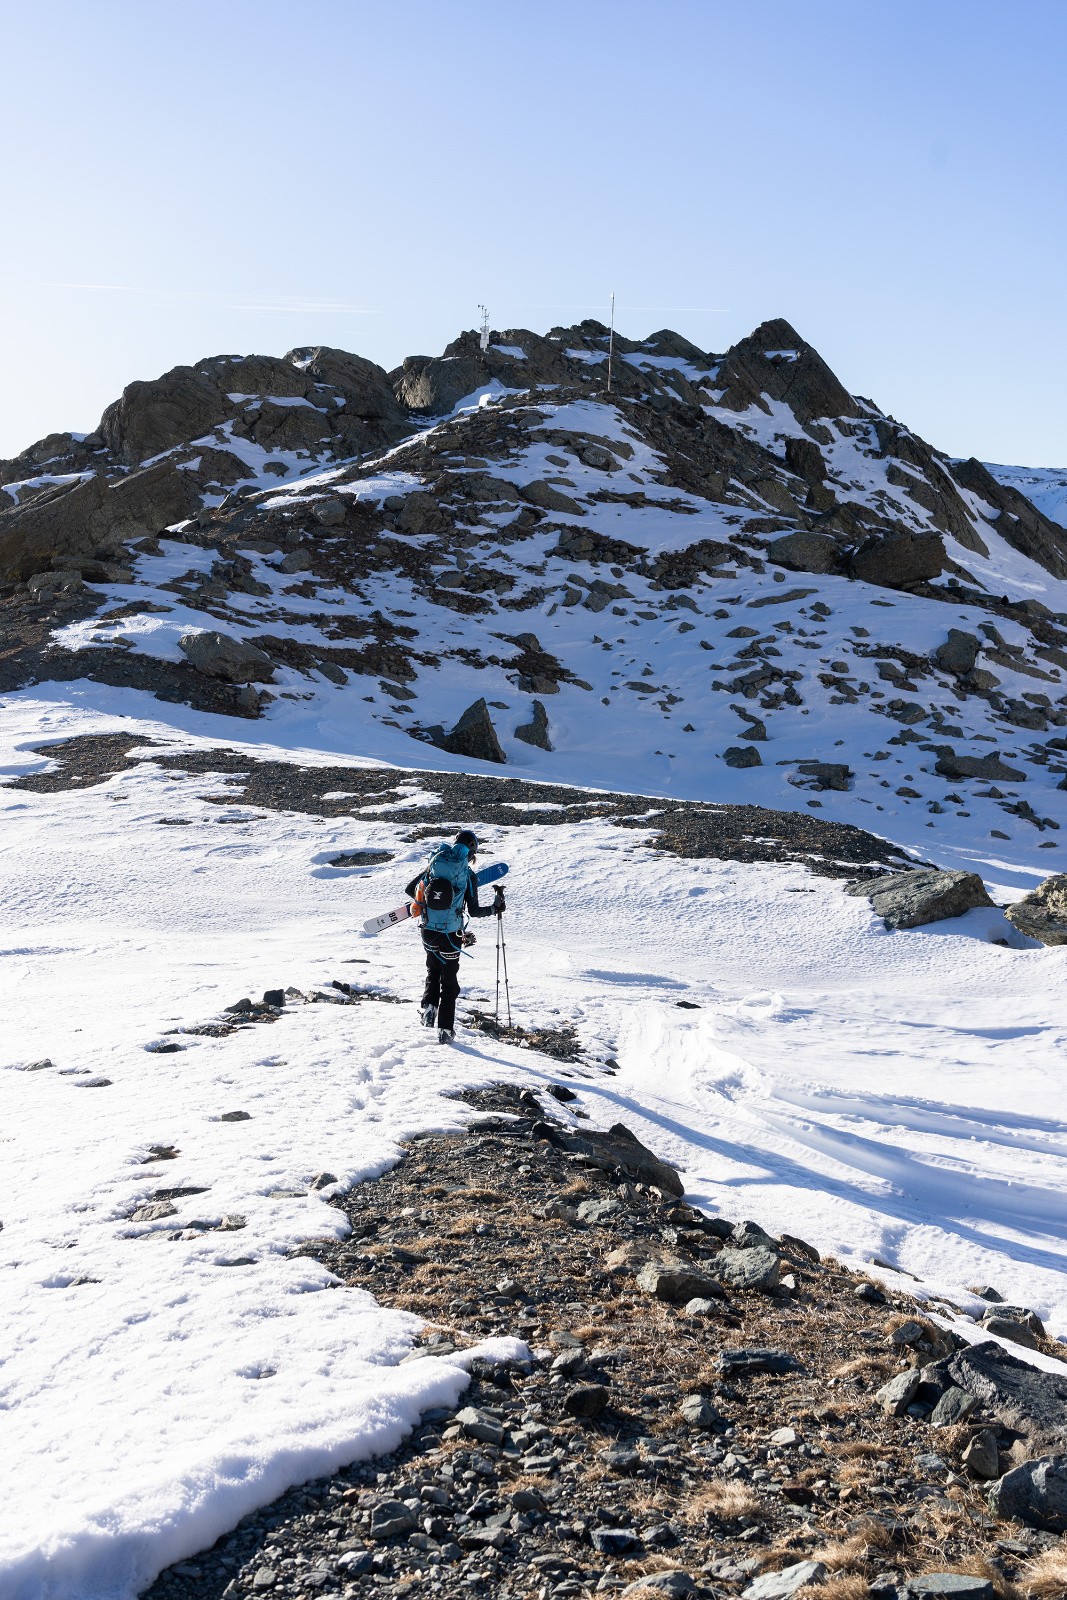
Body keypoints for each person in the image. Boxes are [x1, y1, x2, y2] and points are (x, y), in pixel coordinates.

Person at [404, 829, 505, 1043]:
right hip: (451, 936)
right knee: (449, 983)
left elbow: (410, 889)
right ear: (472, 852)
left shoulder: (435, 864)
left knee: (433, 969)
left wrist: (424, 902)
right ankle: (445, 1030)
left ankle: (429, 1010)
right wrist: (495, 908)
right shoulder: (467, 875)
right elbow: (475, 911)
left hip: (428, 932)